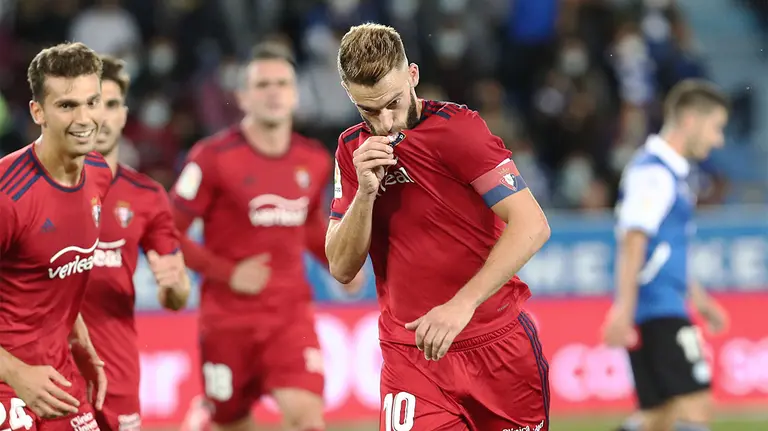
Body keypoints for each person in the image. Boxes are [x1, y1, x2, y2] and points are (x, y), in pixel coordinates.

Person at [326, 24, 552, 431]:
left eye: (392, 103)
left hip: (496, 346)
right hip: (412, 358)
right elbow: (342, 268)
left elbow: (532, 224)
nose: (384, 121)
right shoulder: (351, 151)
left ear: (412, 75)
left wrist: (461, 305)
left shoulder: (458, 131)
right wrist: (364, 193)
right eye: (368, 110)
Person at [172, 43, 360, 431]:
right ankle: (209, 413)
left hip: (290, 318)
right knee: (233, 423)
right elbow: (167, 232)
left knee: (308, 419)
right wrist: (227, 272)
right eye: (262, 85)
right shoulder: (212, 158)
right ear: (242, 96)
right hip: (227, 322)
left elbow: (308, 226)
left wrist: (338, 264)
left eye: (282, 83)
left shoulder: (314, 160)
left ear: (295, 93)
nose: (273, 92)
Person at [603, 79, 730, 431]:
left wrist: (700, 300)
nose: (718, 139)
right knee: (695, 407)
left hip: (661, 305)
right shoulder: (654, 172)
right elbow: (634, 239)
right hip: (657, 308)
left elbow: (662, 249)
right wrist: (624, 308)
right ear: (690, 119)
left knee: (658, 416)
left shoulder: (667, 172)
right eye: (715, 127)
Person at [0, 42, 112, 431]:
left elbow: (53, 270)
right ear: (38, 112)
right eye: (67, 106)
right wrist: (15, 372)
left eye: (92, 102)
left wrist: (80, 342)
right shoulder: (7, 196)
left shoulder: (99, 173)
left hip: (58, 376)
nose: (84, 119)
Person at [81, 55, 191, 431]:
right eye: (93, 103)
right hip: (50, 371)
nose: (102, 116)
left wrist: (173, 285)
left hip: (117, 372)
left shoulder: (147, 196)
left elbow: (177, 296)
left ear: (125, 115)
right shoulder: (33, 189)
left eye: (111, 105)